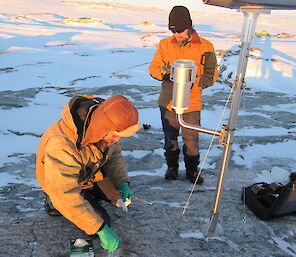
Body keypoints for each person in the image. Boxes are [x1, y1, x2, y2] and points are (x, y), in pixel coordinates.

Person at [36, 94, 141, 253]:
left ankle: (89, 197)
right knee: (100, 223)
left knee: (118, 197)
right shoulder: (61, 145)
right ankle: (53, 202)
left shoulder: (105, 126)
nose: (117, 140)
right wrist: (99, 228)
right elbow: (65, 193)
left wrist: (122, 182)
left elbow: (115, 157)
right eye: (116, 135)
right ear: (103, 127)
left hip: (90, 175)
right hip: (62, 184)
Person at [148, 6, 218, 184]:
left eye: (179, 30)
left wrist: (194, 83)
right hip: (168, 101)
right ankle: (172, 168)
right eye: (173, 31)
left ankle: (192, 171)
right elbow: (154, 67)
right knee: (170, 138)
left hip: (191, 103)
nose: (176, 35)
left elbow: (211, 75)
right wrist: (165, 74)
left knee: (191, 140)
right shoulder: (165, 44)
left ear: (189, 27)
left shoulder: (206, 47)